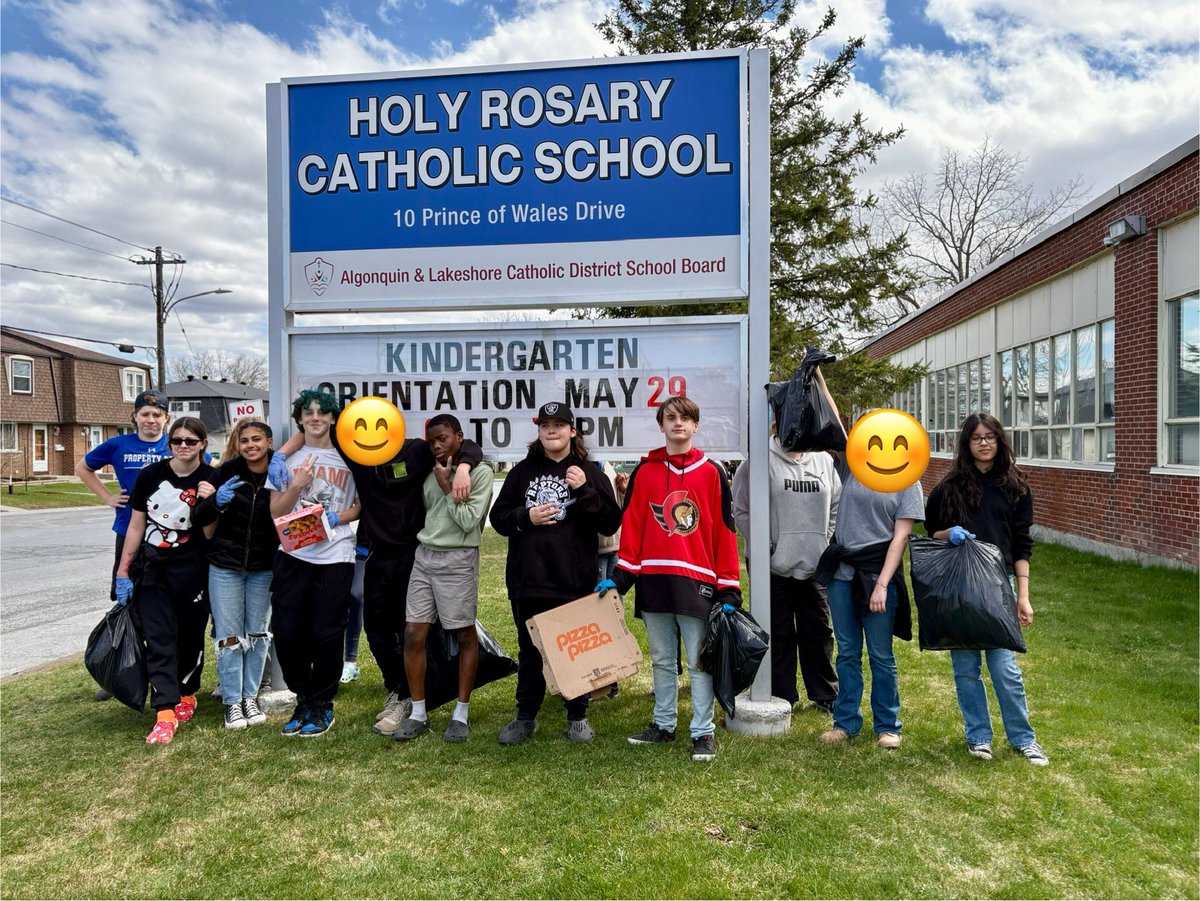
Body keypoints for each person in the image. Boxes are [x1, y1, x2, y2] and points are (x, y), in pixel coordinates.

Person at [272, 406, 482, 736]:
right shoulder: (357, 455)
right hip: (377, 554)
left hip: (414, 553)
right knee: (376, 628)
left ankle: (413, 697)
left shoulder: (415, 450)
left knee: (413, 628)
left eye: (380, 427)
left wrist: (466, 465)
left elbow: (463, 445)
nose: (372, 435)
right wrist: (280, 455)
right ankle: (397, 688)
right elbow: (314, 431)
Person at [607, 396, 741, 762]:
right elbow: (632, 525)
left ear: (695, 426)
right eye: (670, 418)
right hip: (654, 579)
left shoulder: (713, 472)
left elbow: (724, 532)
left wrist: (728, 585)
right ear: (661, 425)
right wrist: (621, 576)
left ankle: (703, 732)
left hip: (697, 583)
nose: (678, 423)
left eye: (685, 418)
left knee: (699, 661)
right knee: (663, 659)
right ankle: (664, 725)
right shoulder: (645, 472)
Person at [489, 402, 622, 744]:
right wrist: (525, 517)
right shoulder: (521, 472)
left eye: (559, 425)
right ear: (539, 431)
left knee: (575, 648)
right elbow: (499, 519)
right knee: (530, 649)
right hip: (528, 577)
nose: (552, 430)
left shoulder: (588, 471)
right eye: (545, 425)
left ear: (572, 431)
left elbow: (611, 521)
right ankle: (525, 717)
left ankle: (577, 715)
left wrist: (585, 490)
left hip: (573, 578)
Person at [924, 413, 1048, 766]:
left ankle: (1024, 738)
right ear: (966, 443)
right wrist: (951, 534)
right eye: (976, 437)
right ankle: (978, 737)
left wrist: (1022, 596)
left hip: (999, 584)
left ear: (1000, 441)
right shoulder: (948, 488)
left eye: (990, 436)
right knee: (965, 668)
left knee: (1004, 667)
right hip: (958, 584)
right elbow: (931, 532)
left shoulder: (1017, 487)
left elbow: (1022, 545)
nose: (983, 443)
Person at [813, 413, 922, 750]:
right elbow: (833, 421)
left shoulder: (908, 480)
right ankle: (845, 722)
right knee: (847, 653)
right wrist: (818, 376)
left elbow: (900, 538)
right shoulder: (852, 467)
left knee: (880, 655)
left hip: (877, 575)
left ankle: (888, 725)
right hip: (842, 576)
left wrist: (882, 585)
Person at [114, 417, 216, 745]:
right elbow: (136, 525)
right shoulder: (151, 476)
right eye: (177, 441)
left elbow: (211, 534)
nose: (183, 446)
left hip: (193, 569)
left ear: (202, 444)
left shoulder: (211, 478)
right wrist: (123, 570)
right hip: (153, 569)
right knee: (158, 637)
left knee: (189, 637)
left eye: (190, 440)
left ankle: (187, 691)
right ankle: (164, 711)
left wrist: (209, 502)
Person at [393, 415, 495, 743]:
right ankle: (419, 713)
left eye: (443, 439)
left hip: (458, 559)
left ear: (459, 437)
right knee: (413, 634)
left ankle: (461, 713)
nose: (437, 445)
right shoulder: (431, 467)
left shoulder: (479, 473)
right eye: (432, 440)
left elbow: (468, 521)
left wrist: (448, 485)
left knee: (464, 634)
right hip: (425, 556)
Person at [267, 389, 361, 737]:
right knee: (288, 632)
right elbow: (276, 511)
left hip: (335, 555)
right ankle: (302, 696)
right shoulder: (287, 460)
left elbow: (359, 506)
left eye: (322, 412)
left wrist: (339, 517)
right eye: (308, 412)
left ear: (334, 418)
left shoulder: (349, 456)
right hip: (293, 555)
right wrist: (297, 486)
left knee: (326, 633)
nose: (315, 417)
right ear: (300, 418)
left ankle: (321, 703)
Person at [732, 428, 841, 713]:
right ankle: (783, 695)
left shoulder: (824, 460)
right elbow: (741, 508)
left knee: (817, 631)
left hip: (814, 564)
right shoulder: (757, 461)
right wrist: (761, 543)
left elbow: (837, 505)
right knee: (778, 634)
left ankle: (824, 695)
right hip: (771, 566)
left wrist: (825, 539)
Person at [76, 389, 173, 701]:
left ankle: (165, 673)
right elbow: (83, 467)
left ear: (166, 418)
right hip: (128, 531)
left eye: (157, 415)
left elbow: (206, 468)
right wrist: (106, 497)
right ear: (135, 417)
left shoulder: (177, 443)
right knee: (127, 603)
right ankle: (123, 670)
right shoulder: (119, 445)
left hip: (168, 536)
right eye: (145, 414)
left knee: (162, 604)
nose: (151, 420)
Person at [193, 419, 278, 730]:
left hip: (263, 567)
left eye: (257, 439)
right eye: (245, 441)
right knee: (229, 637)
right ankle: (232, 703)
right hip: (225, 565)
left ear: (269, 442)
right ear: (238, 445)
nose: (251, 445)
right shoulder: (227, 472)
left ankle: (250, 697)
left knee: (257, 635)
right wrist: (215, 501)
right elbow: (199, 519)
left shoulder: (279, 473)